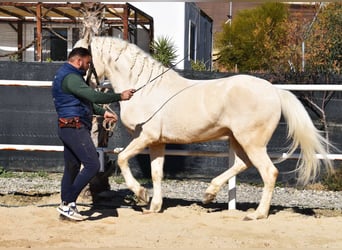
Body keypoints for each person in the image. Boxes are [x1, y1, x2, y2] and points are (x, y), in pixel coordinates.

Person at [52, 47, 135, 221]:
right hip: (74, 128)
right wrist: (120, 96)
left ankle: (68, 207)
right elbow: (93, 96)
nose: (88, 67)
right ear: (79, 60)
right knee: (92, 165)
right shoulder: (71, 77)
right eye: (88, 63)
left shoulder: (66, 75)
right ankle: (67, 202)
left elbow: (84, 101)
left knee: (72, 167)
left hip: (67, 127)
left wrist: (102, 112)